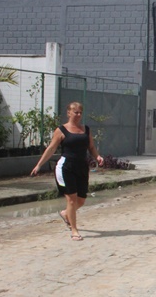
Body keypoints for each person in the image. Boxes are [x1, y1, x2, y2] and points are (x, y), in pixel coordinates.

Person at [30, 102, 104, 241]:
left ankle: (66, 214)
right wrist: (39, 165)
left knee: (81, 200)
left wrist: (98, 156)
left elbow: (91, 147)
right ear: (68, 113)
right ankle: (74, 230)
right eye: (75, 112)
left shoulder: (86, 130)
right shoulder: (61, 130)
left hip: (82, 167)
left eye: (80, 112)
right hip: (66, 167)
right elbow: (51, 149)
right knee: (71, 200)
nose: (78, 115)